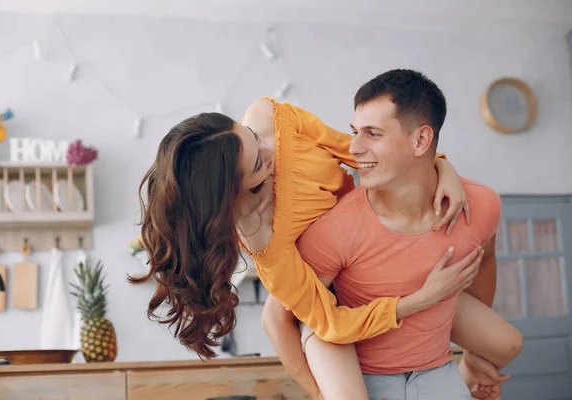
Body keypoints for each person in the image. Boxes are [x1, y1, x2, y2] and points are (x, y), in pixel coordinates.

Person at [131, 73, 511, 397]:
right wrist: (417, 300)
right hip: (322, 292)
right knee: (283, 323)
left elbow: (362, 152)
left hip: (363, 242)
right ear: (237, 188)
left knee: (508, 343)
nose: (269, 148)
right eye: (259, 161)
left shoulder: (271, 119)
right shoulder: (265, 239)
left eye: (250, 135)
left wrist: (443, 168)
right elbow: (329, 321)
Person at [262, 69, 523, 400]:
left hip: (437, 367)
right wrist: (319, 392)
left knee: (509, 342)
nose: (354, 148)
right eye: (354, 131)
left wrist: (476, 351)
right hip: (366, 376)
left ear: (420, 140)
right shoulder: (334, 229)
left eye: (372, 134)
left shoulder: (481, 204)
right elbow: (278, 318)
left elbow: (483, 260)